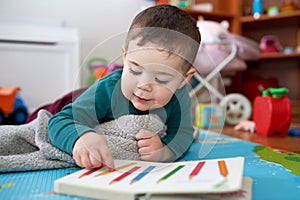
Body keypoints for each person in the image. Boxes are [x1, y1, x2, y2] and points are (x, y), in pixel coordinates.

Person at [48, 4, 201, 170]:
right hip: (71, 100)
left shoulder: (179, 95)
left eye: (161, 79)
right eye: (135, 70)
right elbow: (59, 121)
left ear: (184, 79)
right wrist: (81, 137)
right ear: (125, 56)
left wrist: (164, 151)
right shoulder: (108, 89)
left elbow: (184, 133)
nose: (144, 86)